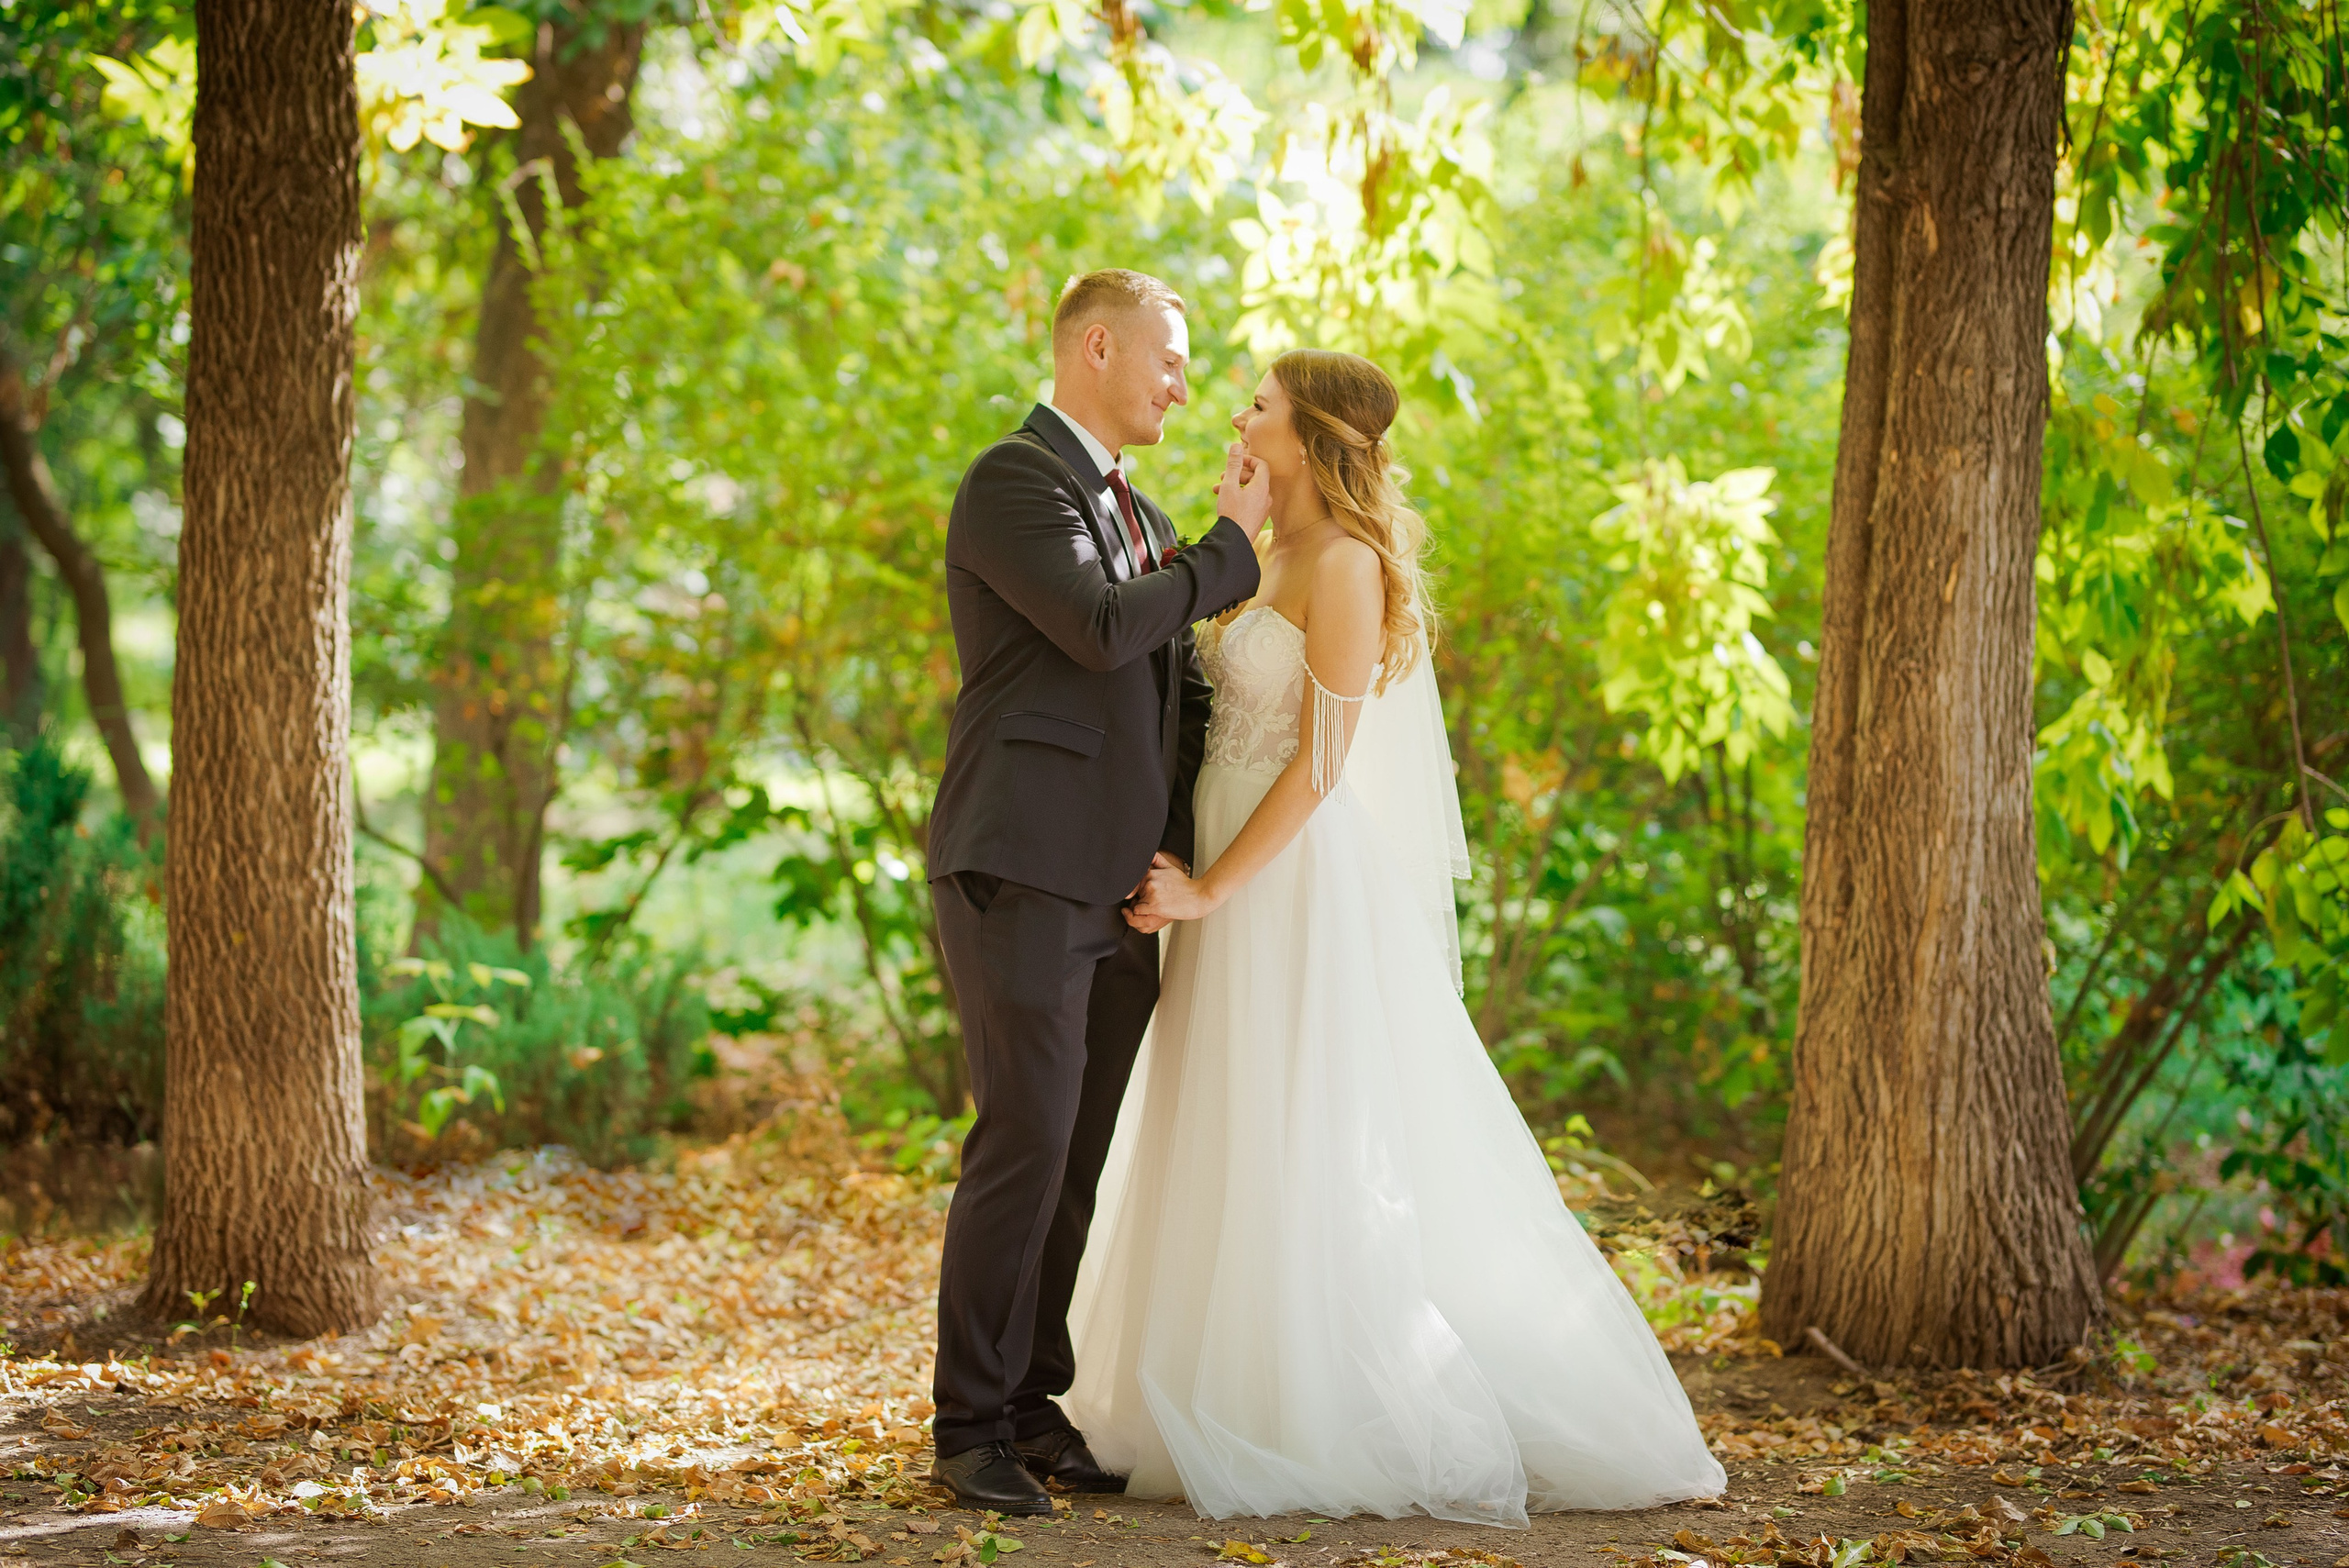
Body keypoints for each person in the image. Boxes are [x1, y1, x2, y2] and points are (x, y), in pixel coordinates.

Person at [1062, 350, 1728, 1526]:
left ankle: (1318, 1405)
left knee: (1301, 1119)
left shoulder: (1347, 562)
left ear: (1311, 433)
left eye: (1259, 405)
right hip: (1217, 860)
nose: (1235, 415)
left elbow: (1323, 763)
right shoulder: (1262, 550)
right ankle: (1218, 1388)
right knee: (1224, 1111)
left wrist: (1211, 889)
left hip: (1284, 878)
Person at [924, 268, 1267, 1515]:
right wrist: (1228, 554)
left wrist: (1180, 861)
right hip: (1021, 866)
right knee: (1022, 1140)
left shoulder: (1142, 511)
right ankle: (966, 1424)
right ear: (1099, 348)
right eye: (1169, 359)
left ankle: (1030, 1403)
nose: (1182, 385)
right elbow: (1098, 626)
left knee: (1074, 1154)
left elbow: (1169, 701)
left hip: (1120, 890)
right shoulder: (1014, 481)